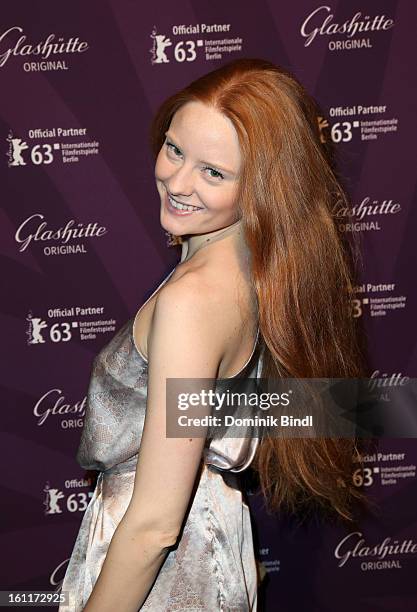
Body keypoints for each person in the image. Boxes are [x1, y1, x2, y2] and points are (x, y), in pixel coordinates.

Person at [59, 58, 367, 611]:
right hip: (209, 538)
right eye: (175, 150)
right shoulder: (255, 260)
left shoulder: (192, 302)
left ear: (263, 186)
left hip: (158, 569)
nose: (177, 184)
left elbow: (153, 526)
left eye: (213, 173)